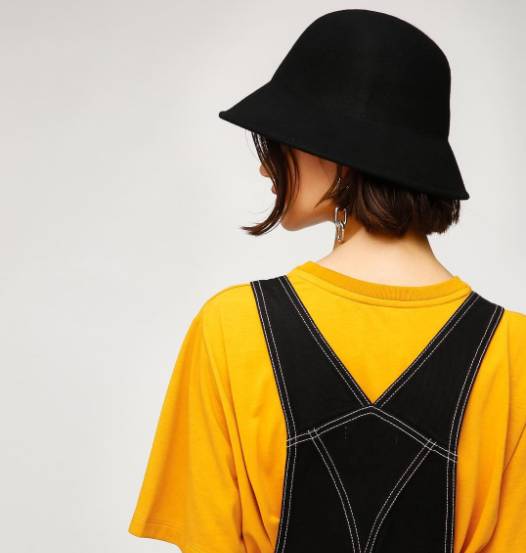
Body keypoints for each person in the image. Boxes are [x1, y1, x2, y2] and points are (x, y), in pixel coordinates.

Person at [128, 9, 526, 553]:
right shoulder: (514, 354)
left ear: (334, 155)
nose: (266, 167)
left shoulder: (233, 329)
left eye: (276, 142)